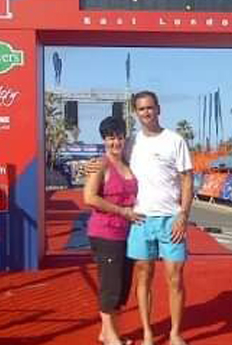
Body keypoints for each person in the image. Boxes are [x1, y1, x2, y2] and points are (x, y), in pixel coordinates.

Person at [125, 91, 193, 345]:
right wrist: (93, 168)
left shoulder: (175, 140)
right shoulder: (131, 143)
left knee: (175, 276)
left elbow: (187, 180)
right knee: (143, 275)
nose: (146, 112)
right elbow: (114, 165)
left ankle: (175, 333)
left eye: (150, 108)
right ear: (136, 112)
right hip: (141, 220)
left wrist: (183, 215)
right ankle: (147, 333)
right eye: (141, 109)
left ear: (159, 109)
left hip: (170, 219)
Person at [83, 116, 141, 345]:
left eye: (119, 137)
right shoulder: (101, 164)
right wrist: (122, 211)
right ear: (104, 140)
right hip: (106, 233)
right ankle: (110, 338)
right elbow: (89, 197)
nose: (116, 142)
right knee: (110, 287)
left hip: (128, 234)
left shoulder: (128, 163)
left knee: (122, 285)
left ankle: (108, 332)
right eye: (110, 138)